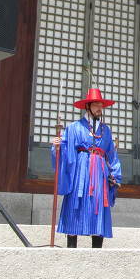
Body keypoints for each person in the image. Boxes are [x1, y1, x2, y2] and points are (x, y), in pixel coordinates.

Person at [51, 88, 122, 248]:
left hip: (100, 172)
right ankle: (71, 248)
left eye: (101, 105)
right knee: (75, 203)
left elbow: (112, 155)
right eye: (96, 104)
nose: (99, 108)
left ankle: (97, 249)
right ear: (87, 106)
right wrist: (57, 147)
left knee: (99, 205)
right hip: (80, 171)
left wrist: (115, 175)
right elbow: (65, 149)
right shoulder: (74, 127)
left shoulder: (106, 130)